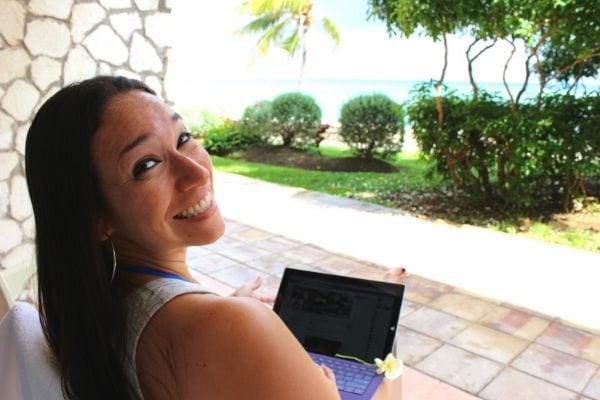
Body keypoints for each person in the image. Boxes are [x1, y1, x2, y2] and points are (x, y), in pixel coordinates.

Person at [25, 76, 405, 400]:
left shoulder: (99, 311)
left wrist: (222, 312)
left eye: (183, 137)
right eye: (147, 164)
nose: (196, 172)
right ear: (97, 215)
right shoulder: (225, 329)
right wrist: (382, 380)